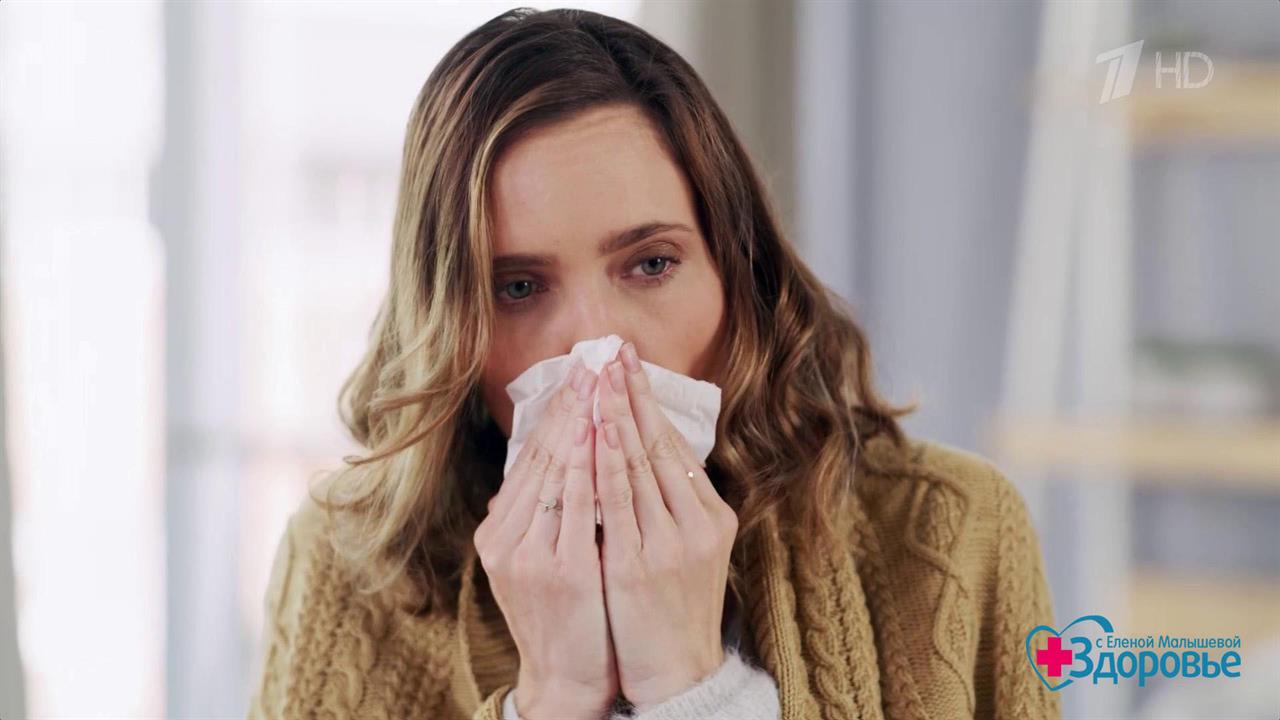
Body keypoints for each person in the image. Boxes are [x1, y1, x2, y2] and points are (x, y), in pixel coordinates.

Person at [247, 7, 1060, 720]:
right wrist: (557, 695)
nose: (600, 349)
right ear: (450, 326)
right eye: (519, 287)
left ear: (738, 271)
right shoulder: (345, 566)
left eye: (650, 264)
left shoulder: (954, 531)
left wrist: (690, 686)